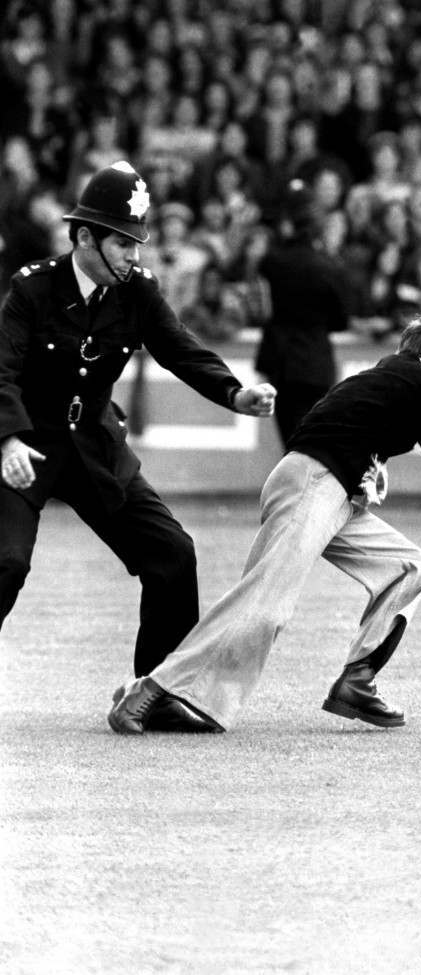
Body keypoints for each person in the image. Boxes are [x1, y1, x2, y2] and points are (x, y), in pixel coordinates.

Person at [108, 313, 421, 736]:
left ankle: (357, 681)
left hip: (324, 488)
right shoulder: (420, 383)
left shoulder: (388, 377)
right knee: (265, 604)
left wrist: (368, 467)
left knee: (412, 568)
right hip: (314, 485)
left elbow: (336, 427)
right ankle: (150, 689)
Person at [0, 160, 275, 730]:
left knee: (172, 554)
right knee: (5, 563)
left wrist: (234, 393)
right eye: (123, 244)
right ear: (84, 238)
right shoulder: (31, 289)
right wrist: (7, 441)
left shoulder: (137, 291)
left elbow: (178, 346)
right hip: (25, 448)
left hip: (95, 446)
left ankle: (158, 692)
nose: (135, 256)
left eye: (137, 243)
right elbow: (0, 372)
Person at [255, 179, 351, 446]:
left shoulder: (272, 262)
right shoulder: (330, 267)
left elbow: (262, 309)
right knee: (314, 442)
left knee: (292, 442)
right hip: (315, 361)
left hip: (281, 361)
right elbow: (342, 320)